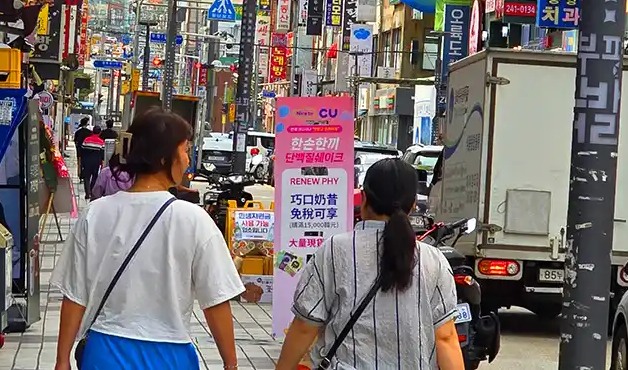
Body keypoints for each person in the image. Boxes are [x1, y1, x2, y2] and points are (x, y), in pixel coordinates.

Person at [54, 109, 243, 370]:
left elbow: (75, 295)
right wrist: (230, 364)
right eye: (186, 150)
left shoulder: (95, 214)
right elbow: (216, 302)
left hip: (104, 352)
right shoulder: (194, 220)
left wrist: (62, 360)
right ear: (165, 158)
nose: (188, 160)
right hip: (169, 356)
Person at [274, 158, 465, 370]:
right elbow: (446, 339)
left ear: (363, 198)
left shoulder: (334, 250)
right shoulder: (434, 260)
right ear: (412, 206)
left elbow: (304, 327)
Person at [79, 132, 106, 199]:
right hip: (96, 162)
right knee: (94, 176)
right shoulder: (101, 142)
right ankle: (91, 191)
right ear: (99, 133)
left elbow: (82, 150)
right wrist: (102, 162)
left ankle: (87, 193)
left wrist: (81, 161)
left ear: (92, 132)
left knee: (86, 177)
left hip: (86, 161)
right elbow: (102, 154)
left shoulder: (86, 140)